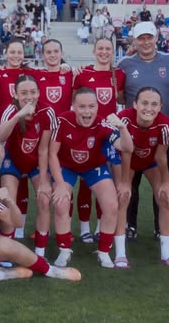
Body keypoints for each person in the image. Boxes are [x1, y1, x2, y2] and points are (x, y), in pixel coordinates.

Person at [49, 87, 132, 268]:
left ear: (97, 107)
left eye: (91, 106)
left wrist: (122, 128)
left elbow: (127, 148)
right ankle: (64, 250)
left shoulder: (103, 124)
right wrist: (60, 184)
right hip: (66, 166)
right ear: (73, 106)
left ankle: (104, 252)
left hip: (94, 167)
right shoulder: (62, 121)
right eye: (82, 107)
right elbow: (52, 153)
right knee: (61, 202)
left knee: (112, 205)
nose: (87, 111)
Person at [118, 21, 169, 241]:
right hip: (132, 134)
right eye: (141, 38)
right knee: (130, 183)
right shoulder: (125, 64)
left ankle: (160, 227)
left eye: (149, 37)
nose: (145, 42)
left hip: (161, 134)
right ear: (134, 41)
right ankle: (130, 225)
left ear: (156, 38)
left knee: (163, 182)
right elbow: (118, 94)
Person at [116, 87, 169, 269]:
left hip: (150, 161)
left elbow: (161, 156)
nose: (149, 108)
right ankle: (120, 253)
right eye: (144, 103)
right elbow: (126, 152)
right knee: (122, 198)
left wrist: (167, 182)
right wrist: (124, 182)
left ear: (160, 107)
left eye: (154, 104)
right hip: (126, 160)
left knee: (166, 198)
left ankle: (166, 253)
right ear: (135, 104)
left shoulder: (164, 124)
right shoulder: (124, 119)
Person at [72, 38, 126, 243]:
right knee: (86, 182)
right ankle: (84, 227)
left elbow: (122, 99)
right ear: (94, 51)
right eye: (100, 48)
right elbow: (74, 101)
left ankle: (100, 226)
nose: (104, 52)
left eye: (108, 49)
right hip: (87, 133)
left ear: (113, 52)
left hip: (109, 135)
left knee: (106, 183)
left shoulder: (119, 75)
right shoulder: (83, 73)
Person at [0, 75, 55, 254]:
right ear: (15, 94)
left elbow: (43, 149)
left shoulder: (47, 111)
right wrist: (18, 115)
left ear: (38, 93)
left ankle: (40, 251)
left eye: (32, 92)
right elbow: (0, 138)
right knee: (7, 199)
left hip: (35, 161)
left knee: (44, 198)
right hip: (12, 160)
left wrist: (44, 180)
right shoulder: (10, 109)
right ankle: (6, 250)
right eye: (23, 93)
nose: (28, 97)